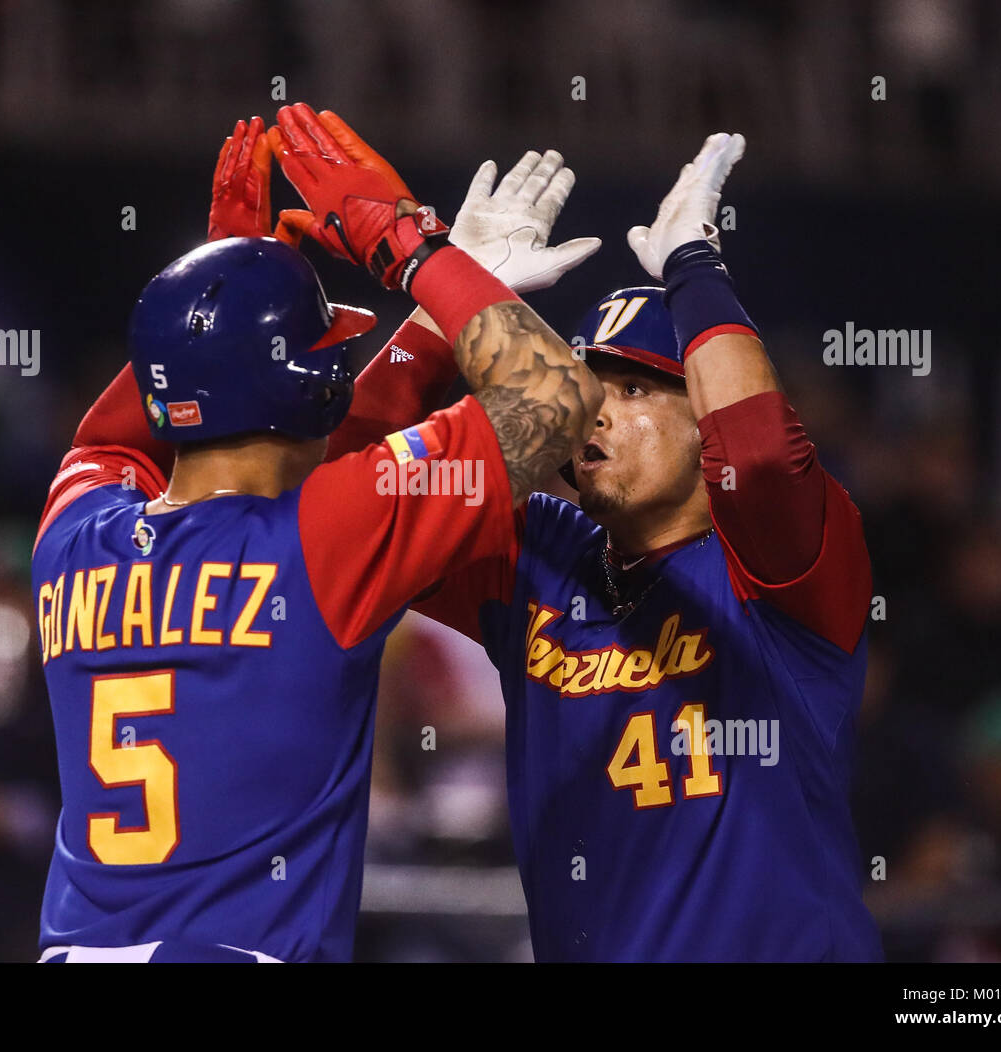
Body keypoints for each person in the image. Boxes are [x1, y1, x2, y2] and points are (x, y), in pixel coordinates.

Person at [29, 106, 602, 962]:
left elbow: (113, 437)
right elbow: (558, 398)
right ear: (311, 388)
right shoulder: (323, 537)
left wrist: (217, 292)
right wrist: (419, 255)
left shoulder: (72, 537)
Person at [369, 133, 884, 961]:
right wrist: (441, 308)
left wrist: (694, 266)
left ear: (704, 409)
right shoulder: (537, 559)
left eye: (636, 388)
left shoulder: (789, 569)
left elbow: (756, 454)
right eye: (587, 390)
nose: (593, 415)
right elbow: (356, 499)